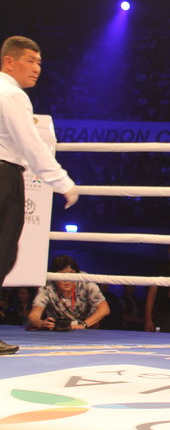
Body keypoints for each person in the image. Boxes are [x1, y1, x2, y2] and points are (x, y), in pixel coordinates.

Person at [0, 36, 79, 354]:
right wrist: (62, 182)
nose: (37, 68)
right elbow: (30, 144)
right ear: (9, 61)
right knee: (2, 253)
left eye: (40, 62)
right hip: (4, 176)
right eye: (30, 61)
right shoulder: (12, 94)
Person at [28, 255, 109, 331]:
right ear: (53, 276)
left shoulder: (85, 281)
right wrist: (42, 323)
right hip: (58, 331)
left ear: (76, 273)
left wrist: (84, 325)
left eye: (70, 275)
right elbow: (33, 315)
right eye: (62, 276)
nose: (67, 280)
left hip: (88, 329)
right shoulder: (47, 286)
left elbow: (104, 309)